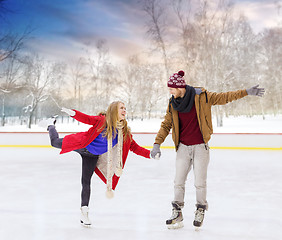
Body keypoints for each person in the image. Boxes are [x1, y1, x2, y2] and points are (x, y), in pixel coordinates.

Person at [150, 70, 265, 229]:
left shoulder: (201, 96)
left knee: (199, 182)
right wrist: (157, 143)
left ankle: (200, 210)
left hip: (200, 147)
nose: (169, 91)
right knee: (178, 181)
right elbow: (166, 125)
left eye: (171, 88)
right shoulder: (173, 103)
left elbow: (224, 97)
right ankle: (177, 213)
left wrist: (246, 92)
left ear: (180, 87)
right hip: (183, 147)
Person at [43, 101, 152, 227]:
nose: (124, 110)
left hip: (91, 156)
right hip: (81, 144)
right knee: (54, 142)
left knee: (86, 181)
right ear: (114, 110)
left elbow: (135, 148)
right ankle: (50, 125)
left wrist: (150, 154)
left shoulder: (124, 132)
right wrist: (73, 113)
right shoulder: (102, 120)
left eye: (125, 108)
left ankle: (84, 212)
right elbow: (87, 119)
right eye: (121, 108)